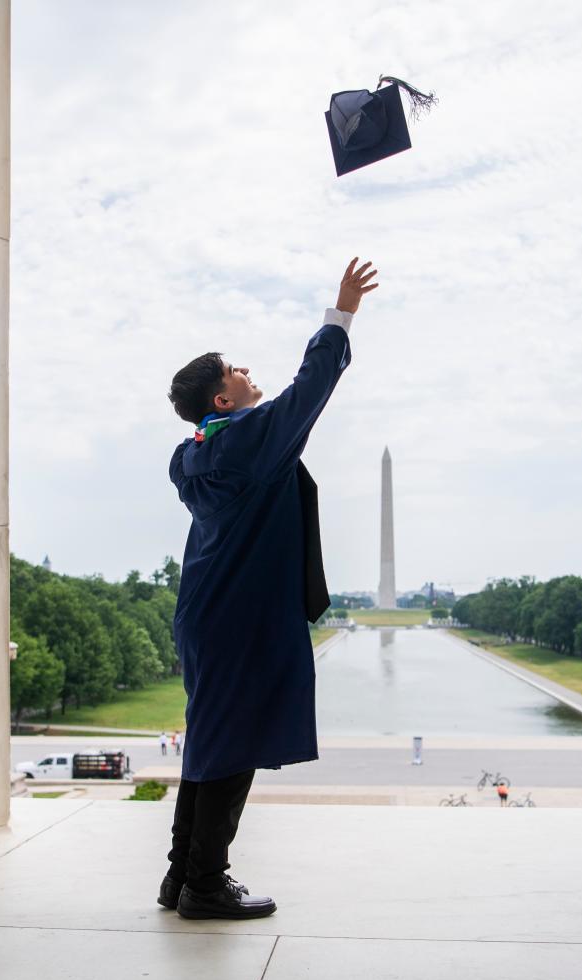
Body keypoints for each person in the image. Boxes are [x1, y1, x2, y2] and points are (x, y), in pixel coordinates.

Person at [159, 257, 378, 920]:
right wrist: (338, 316)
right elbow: (310, 389)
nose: (247, 371)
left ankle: (181, 877)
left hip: (207, 613)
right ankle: (204, 883)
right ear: (223, 399)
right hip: (241, 617)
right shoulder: (247, 441)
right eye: (236, 370)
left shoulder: (194, 450)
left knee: (210, 740)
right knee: (233, 744)